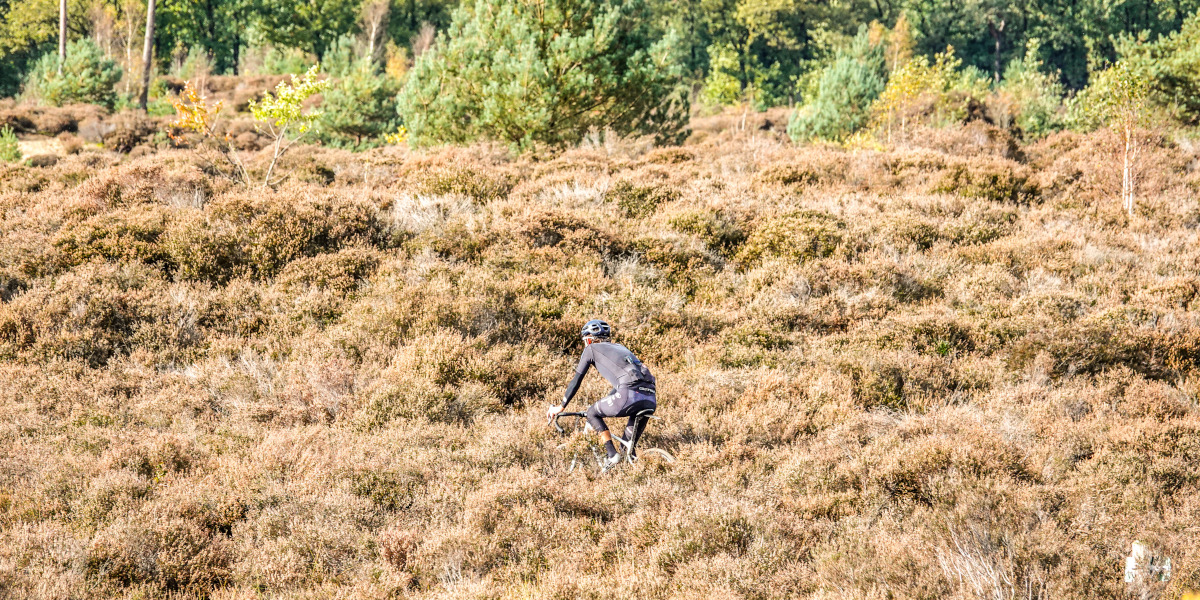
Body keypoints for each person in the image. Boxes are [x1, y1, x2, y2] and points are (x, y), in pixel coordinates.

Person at [546, 319, 657, 469]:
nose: (585, 344)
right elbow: (627, 382)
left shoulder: (591, 349)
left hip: (629, 395)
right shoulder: (620, 348)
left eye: (585, 340)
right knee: (627, 451)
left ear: (590, 339)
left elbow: (576, 380)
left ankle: (611, 455)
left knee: (592, 412)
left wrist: (561, 406)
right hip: (650, 397)